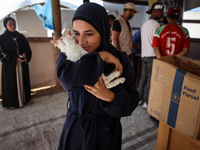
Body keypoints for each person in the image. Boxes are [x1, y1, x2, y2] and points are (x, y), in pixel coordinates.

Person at [56, 3, 139, 150]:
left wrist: (109, 96)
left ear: (103, 30)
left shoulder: (120, 59)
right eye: (76, 33)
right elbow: (67, 80)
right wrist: (99, 57)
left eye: (89, 34)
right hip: (75, 127)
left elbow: (131, 102)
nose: (81, 41)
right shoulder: (70, 51)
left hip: (104, 132)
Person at [0, 17, 32, 108]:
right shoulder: (2, 38)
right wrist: (14, 58)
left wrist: (25, 54)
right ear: (5, 25)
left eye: (14, 24)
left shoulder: (20, 37)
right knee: (11, 84)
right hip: (10, 66)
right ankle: (12, 103)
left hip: (21, 64)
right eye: (10, 24)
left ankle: (24, 100)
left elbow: (27, 48)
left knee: (23, 81)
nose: (13, 26)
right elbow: (1, 53)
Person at [137, 2, 164, 108]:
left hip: (144, 55)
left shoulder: (144, 25)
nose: (161, 14)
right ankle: (147, 102)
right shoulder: (156, 25)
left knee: (143, 77)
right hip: (153, 55)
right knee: (150, 78)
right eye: (160, 12)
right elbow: (156, 43)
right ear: (154, 12)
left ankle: (139, 99)